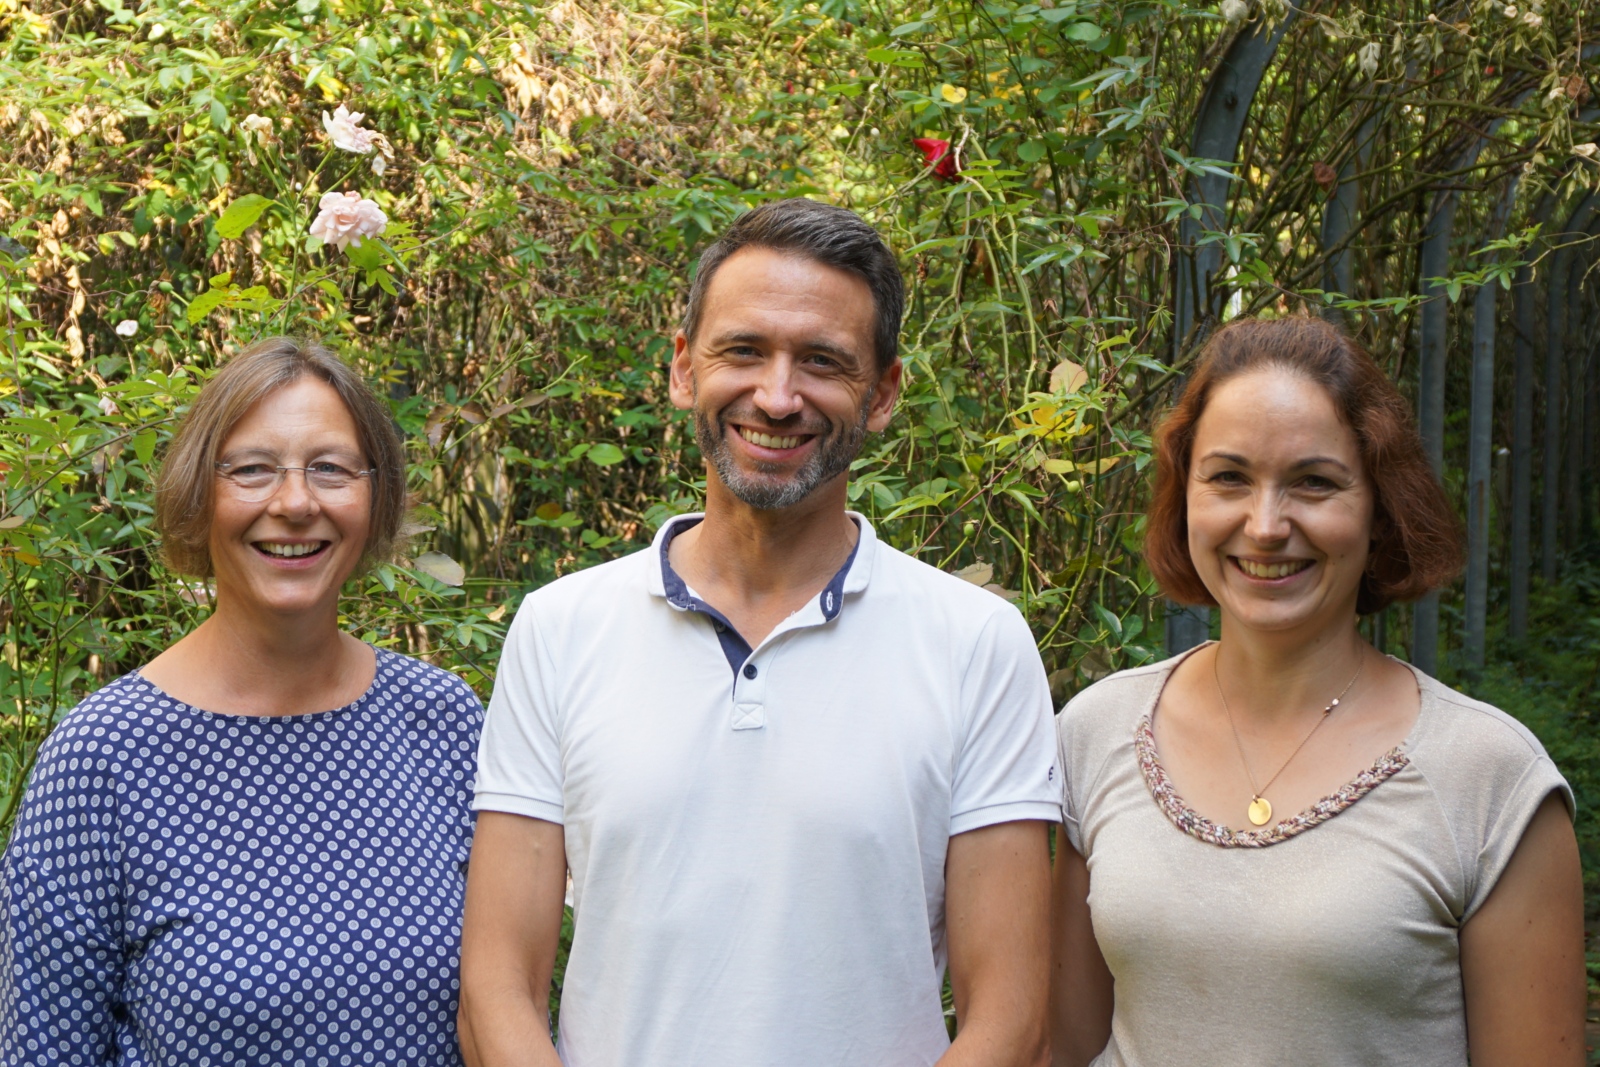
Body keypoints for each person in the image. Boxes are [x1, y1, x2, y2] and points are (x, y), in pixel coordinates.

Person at [459, 198, 1060, 1067]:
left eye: (822, 362)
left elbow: (1009, 1020)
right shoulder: (561, 629)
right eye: (743, 351)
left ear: (882, 393)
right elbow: (496, 985)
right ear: (681, 369)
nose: (777, 397)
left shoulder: (977, 645)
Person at [1049, 316, 1585, 1067]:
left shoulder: (1490, 778)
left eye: (1314, 482)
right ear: (1184, 495)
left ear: (1379, 507)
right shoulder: (1096, 730)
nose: (1266, 526)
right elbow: (1066, 1047)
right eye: (1229, 477)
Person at [0, 338, 484, 1064]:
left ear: (375, 493)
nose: (295, 502)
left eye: (330, 467)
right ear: (199, 494)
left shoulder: (443, 721)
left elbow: (505, 1001)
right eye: (254, 469)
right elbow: (43, 1050)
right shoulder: (102, 756)